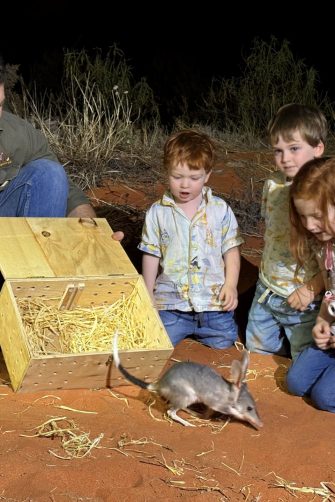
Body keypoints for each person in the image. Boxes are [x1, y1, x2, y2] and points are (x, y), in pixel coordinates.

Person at [138, 129, 244, 348]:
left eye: (194, 178)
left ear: (207, 175)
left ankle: (205, 330)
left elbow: (231, 249)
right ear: (167, 172)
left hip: (212, 303)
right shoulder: (157, 212)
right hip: (171, 304)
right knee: (158, 342)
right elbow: (151, 254)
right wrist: (148, 294)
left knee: (225, 341)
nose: (185, 185)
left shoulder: (220, 209)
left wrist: (231, 285)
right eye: (177, 177)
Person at [245, 104, 326, 360]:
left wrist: (311, 289)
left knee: (301, 357)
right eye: (278, 151)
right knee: (256, 352)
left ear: (318, 149)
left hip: (303, 299)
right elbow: (270, 234)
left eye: (294, 149)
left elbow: (331, 258)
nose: (285, 158)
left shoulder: (325, 195)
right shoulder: (272, 185)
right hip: (266, 290)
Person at [0, 55, 106, 221]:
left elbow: (65, 190)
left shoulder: (18, 131)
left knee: (49, 173)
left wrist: (90, 231)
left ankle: (42, 246)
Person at [286, 156, 335, 412]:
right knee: (295, 382)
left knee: (324, 398)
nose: (309, 225)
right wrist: (323, 321)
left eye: (315, 216)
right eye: (303, 217)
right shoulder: (326, 248)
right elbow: (331, 292)